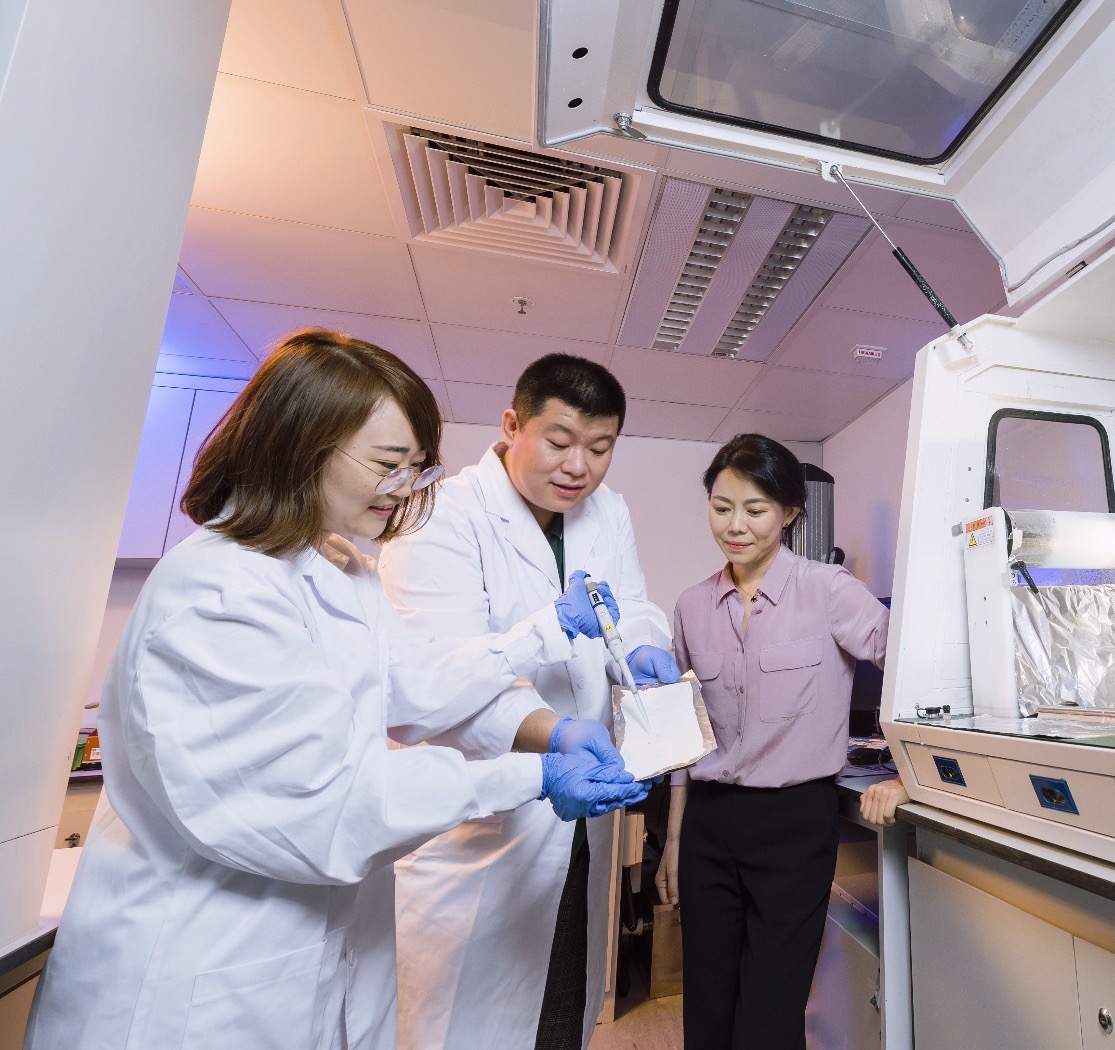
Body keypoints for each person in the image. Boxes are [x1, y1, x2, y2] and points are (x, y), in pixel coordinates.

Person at [23, 330, 647, 1050]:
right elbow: (328, 806)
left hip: (313, 960)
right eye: (387, 464)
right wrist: (532, 774)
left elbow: (422, 684)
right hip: (198, 977)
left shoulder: (339, 572)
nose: (405, 488)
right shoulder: (218, 593)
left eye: (415, 466)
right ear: (301, 445)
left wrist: (542, 654)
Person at [378, 353, 682, 1050]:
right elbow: (438, 685)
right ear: (513, 426)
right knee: (467, 1026)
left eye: (600, 448)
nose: (580, 467)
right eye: (560, 441)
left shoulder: (609, 510)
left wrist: (641, 645)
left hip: (580, 822)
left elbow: (632, 605)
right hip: (485, 830)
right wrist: (557, 735)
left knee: (564, 1004)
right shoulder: (442, 514)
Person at [658, 433, 903, 1050]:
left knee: (770, 1017)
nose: (735, 525)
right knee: (708, 1009)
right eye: (722, 507)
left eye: (755, 509)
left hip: (793, 823)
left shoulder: (829, 590)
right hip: (708, 824)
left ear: (790, 512)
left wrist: (911, 773)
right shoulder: (691, 606)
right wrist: (675, 840)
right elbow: (686, 734)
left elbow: (913, 669)